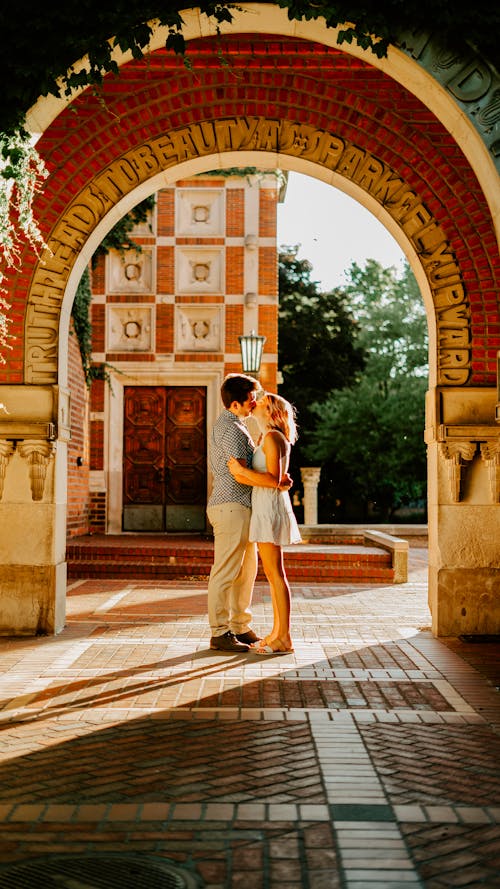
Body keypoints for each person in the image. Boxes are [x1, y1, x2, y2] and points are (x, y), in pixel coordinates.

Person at [206, 373, 292, 653]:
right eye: (250, 398)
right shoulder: (232, 429)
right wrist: (276, 480)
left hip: (243, 507)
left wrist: (278, 477)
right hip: (231, 505)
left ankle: (240, 626)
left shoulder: (238, 426)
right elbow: (240, 475)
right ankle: (220, 632)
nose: (254, 402)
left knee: (246, 572)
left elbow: (256, 470)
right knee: (226, 570)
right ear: (234, 405)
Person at [228, 392, 301, 655]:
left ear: (271, 412)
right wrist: (249, 476)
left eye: (262, 402)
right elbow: (277, 479)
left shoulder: (272, 437)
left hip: (268, 508)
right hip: (265, 505)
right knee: (272, 575)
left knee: (275, 575)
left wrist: (240, 472)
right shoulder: (268, 438)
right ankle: (277, 633)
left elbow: (273, 479)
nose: (255, 402)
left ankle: (284, 638)